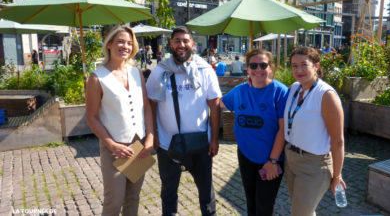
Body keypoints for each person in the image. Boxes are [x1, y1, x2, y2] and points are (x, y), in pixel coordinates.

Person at [146, 26, 221, 216]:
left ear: (193, 44)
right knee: (168, 192)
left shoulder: (205, 70)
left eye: (185, 41)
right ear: (170, 44)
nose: (181, 45)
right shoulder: (160, 71)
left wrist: (214, 140)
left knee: (206, 192)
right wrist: (152, 134)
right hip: (167, 144)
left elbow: (214, 105)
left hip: (200, 144)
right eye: (177, 40)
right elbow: (151, 106)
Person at [85, 25, 154, 216]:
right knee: (113, 202)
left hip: (138, 145)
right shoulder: (97, 77)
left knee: (132, 199)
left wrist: (150, 137)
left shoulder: (136, 73)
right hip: (114, 149)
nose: (125, 46)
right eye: (121, 41)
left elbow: (146, 107)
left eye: (129, 43)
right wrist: (111, 145)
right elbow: (91, 117)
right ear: (109, 45)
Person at [221, 49, 288, 216]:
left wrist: (273, 161)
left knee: (264, 206)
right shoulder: (240, 91)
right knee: (250, 202)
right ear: (248, 69)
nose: (258, 69)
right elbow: (218, 103)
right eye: (253, 65)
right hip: (245, 155)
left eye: (263, 65)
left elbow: (283, 129)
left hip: (271, 159)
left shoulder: (280, 91)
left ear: (271, 68)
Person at [284, 46, 346, 216]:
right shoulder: (294, 89)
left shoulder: (326, 95)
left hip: (314, 165)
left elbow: (338, 140)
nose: (298, 70)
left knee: (300, 213)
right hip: (291, 159)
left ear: (316, 66)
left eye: (304, 65)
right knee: (304, 211)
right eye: (294, 65)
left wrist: (337, 175)